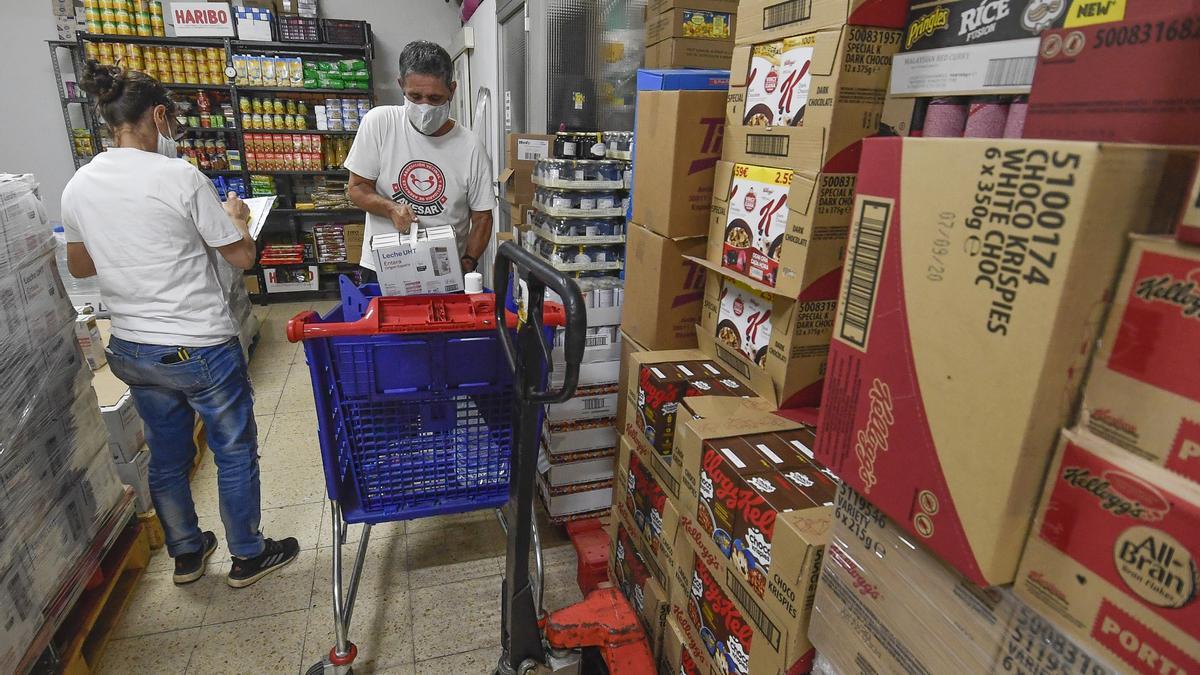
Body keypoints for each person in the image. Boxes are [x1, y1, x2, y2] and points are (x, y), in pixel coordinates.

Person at [61, 61, 299, 588]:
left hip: (132, 347)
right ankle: (247, 554)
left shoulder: (79, 185)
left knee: (167, 454)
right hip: (198, 345)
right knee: (233, 448)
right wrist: (236, 219)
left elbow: (80, 266)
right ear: (160, 116)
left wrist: (125, 244)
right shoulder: (178, 176)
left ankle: (187, 555)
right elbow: (242, 258)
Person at [345, 40, 496, 273]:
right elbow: (356, 188)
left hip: (443, 270)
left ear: (452, 90)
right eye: (415, 97)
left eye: (435, 98)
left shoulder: (471, 147)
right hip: (384, 267)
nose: (425, 107)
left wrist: (466, 264)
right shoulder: (380, 123)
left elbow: (483, 217)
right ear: (401, 86)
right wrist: (390, 208)